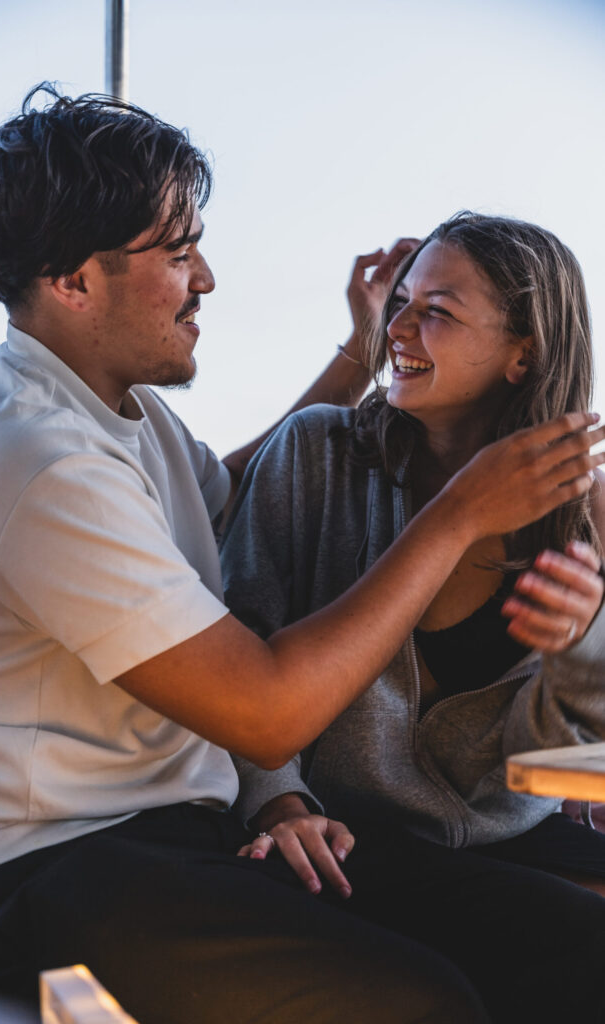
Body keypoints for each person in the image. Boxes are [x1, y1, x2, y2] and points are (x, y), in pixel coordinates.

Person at [0, 86, 602, 1024]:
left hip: (166, 830)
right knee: (420, 1006)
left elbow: (224, 490)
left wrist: (360, 357)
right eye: (176, 251)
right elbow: (267, 715)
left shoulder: (112, 410)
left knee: (569, 953)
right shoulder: (40, 465)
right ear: (72, 279)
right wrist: (454, 515)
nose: (204, 278)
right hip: (26, 866)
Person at [221, 212, 605, 1023]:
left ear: (523, 352)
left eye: (436, 309)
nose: (394, 327)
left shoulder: (585, 510)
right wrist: (277, 802)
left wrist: (582, 653)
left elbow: (572, 761)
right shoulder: (314, 453)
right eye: (400, 300)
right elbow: (237, 640)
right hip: (336, 828)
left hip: (505, 832)